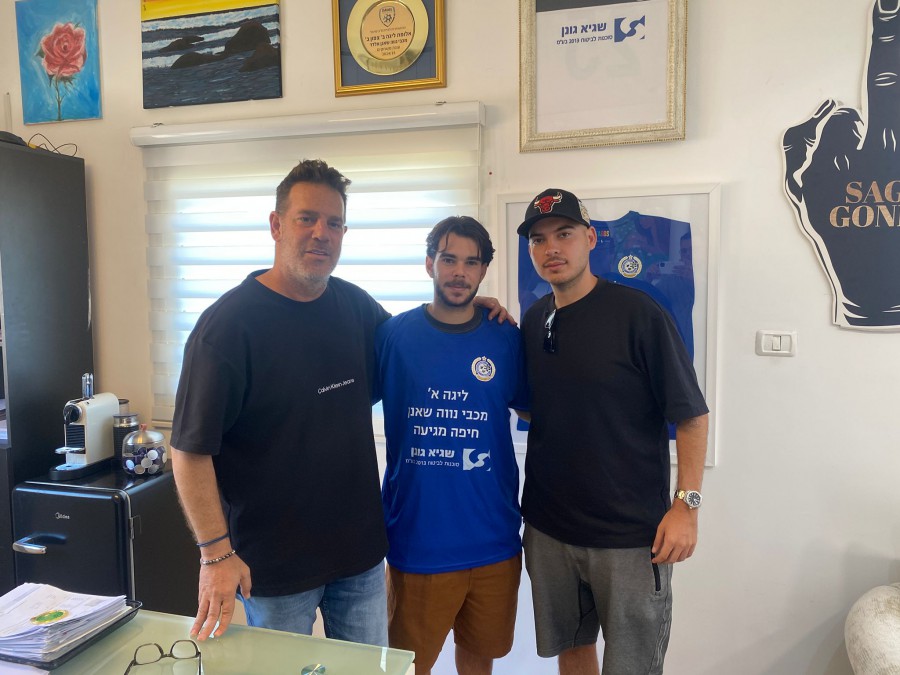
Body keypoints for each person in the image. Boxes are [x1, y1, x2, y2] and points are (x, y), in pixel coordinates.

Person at [169, 159, 509, 645]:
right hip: (276, 566)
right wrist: (216, 554)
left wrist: (471, 311)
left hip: (360, 558)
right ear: (276, 225)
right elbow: (189, 450)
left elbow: (418, 345)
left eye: (333, 223)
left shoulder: (356, 307)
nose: (321, 234)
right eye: (307, 218)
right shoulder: (227, 327)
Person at [516, 188, 709, 675]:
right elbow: (542, 408)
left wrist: (686, 506)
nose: (551, 248)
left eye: (564, 234)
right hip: (548, 529)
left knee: (632, 666)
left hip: (629, 537)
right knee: (571, 650)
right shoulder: (535, 320)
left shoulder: (639, 314)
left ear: (590, 239)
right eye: (538, 239)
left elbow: (691, 415)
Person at [375, 216, 528, 675]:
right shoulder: (393, 335)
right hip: (419, 541)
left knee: (479, 658)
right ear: (429, 264)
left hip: (494, 539)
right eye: (448, 259)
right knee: (407, 666)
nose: (459, 272)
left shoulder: (506, 338)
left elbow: (538, 414)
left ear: (483, 271)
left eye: (471, 262)